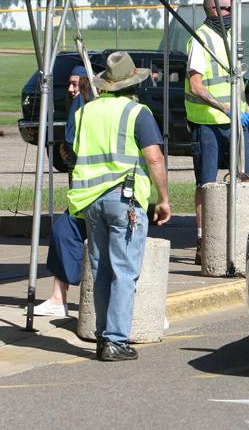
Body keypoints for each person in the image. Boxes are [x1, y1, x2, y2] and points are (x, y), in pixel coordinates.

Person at [67, 51, 172, 361]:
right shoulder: (138, 113)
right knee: (124, 272)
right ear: (133, 84)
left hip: (90, 200)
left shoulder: (85, 113)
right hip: (124, 199)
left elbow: (73, 150)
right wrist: (163, 199)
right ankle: (115, 340)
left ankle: (103, 336)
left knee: (100, 270)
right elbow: (154, 157)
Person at [186, 0, 249, 265]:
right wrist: (226, 109)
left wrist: (248, 112)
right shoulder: (200, 39)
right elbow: (196, 85)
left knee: (243, 178)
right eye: (228, 8)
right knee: (207, 185)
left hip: (235, 123)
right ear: (215, 11)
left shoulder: (232, 37)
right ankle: (203, 241)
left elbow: (238, 85)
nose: (232, 13)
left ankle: (240, 235)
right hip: (208, 124)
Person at [31, 66, 93, 317]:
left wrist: (66, 152)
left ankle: (59, 297)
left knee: (66, 233)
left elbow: (71, 139)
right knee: (66, 233)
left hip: (90, 191)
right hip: (91, 190)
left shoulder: (81, 104)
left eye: (75, 83)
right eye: (70, 83)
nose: (70, 89)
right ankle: (59, 297)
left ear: (86, 84)